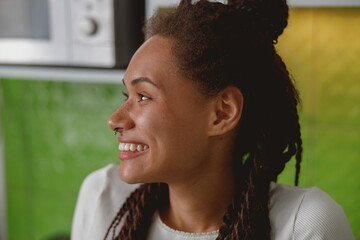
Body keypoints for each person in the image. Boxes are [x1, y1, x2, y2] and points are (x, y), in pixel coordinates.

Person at [71, 0, 355, 239]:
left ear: (222, 113)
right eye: (126, 95)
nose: (115, 120)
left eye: (143, 96)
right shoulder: (102, 198)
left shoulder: (305, 225)